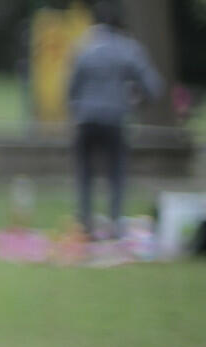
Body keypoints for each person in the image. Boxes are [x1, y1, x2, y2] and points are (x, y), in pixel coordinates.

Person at [68, 0, 163, 240]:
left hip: (86, 119)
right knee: (117, 174)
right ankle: (114, 224)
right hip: (115, 119)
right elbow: (154, 87)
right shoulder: (128, 49)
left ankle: (86, 223)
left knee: (85, 173)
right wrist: (135, 102)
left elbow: (71, 89)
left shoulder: (83, 47)